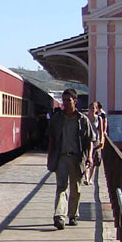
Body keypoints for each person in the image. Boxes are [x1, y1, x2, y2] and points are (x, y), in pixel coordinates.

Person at [47, 88, 94, 229]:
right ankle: (59, 216)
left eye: (68, 100)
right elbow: (51, 138)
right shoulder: (57, 119)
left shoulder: (82, 119)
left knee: (76, 189)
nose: (65, 103)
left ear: (75, 101)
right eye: (64, 100)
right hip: (61, 157)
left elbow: (90, 140)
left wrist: (90, 157)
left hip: (77, 158)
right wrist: (50, 157)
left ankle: (72, 215)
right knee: (61, 187)